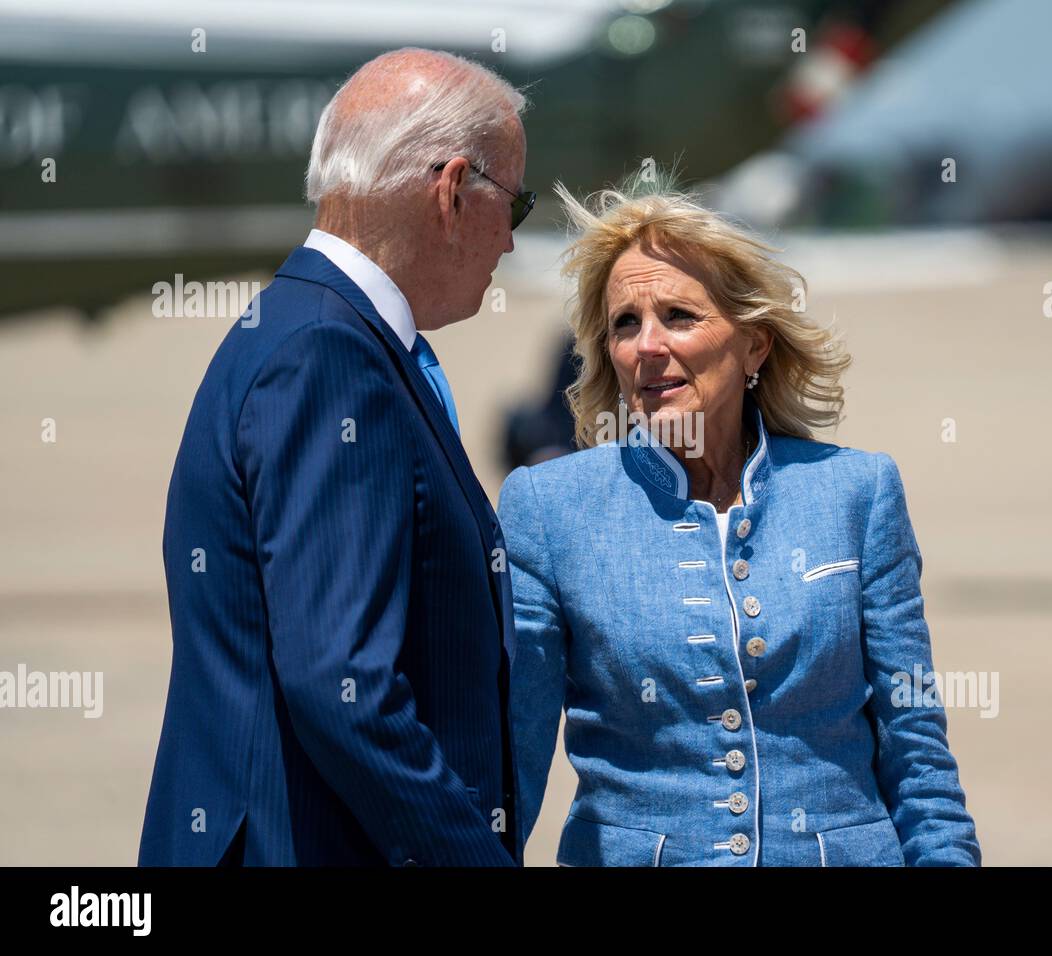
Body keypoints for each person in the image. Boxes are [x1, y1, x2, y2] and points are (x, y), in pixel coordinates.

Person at [498, 181, 980, 866]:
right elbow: (507, 768)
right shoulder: (548, 510)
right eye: (624, 324)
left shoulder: (857, 492)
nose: (647, 346)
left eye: (678, 315)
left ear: (753, 345)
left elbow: (918, 751)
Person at [139, 48, 534, 866]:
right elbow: (341, 684)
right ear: (454, 191)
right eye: (516, 205)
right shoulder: (331, 356)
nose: (509, 242)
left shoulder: (295, 325)